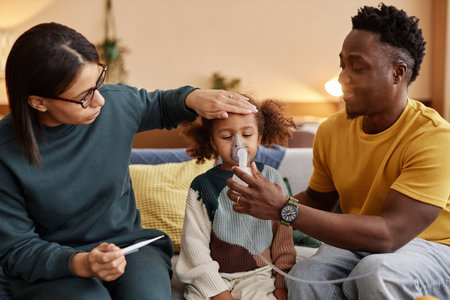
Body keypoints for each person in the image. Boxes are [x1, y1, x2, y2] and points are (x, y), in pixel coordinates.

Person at [0, 22, 257, 300]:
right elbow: (17, 248)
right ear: (38, 102)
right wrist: (82, 263)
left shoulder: (115, 103)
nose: (99, 100)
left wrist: (194, 97)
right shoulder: (6, 152)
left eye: (98, 82)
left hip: (130, 248)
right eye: (84, 96)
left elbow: (160, 105)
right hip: (54, 265)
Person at [226, 4, 450, 300]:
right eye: (342, 64)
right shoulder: (332, 130)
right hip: (361, 243)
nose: (343, 77)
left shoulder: (434, 137)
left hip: (434, 248)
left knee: (375, 272)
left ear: (398, 74)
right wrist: (261, 208)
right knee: (305, 277)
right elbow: (319, 200)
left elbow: (390, 234)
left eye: (357, 67)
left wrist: (284, 208)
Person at [175, 99, 297, 300]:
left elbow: (283, 240)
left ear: (259, 138)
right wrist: (218, 292)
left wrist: (282, 285)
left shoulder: (272, 179)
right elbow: (194, 245)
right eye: (226, 136)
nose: (238, 143)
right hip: (215, 279)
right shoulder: (202, 186)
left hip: (259, 276)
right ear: (213, 142)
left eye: (247, 134)